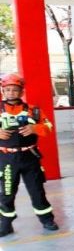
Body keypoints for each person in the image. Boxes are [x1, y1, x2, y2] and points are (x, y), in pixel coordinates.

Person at [0, 73, 58, 236]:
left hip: (30, 157)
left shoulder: (33, 110)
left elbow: (48, 127)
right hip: (7, 159)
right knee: (6, 192)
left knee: (37, 190)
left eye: (15, 90)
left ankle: (47, 219)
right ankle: (5, 223)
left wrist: (35, 128)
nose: (11, 93)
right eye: (8, 89)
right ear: (3, 91)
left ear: (21, 91)